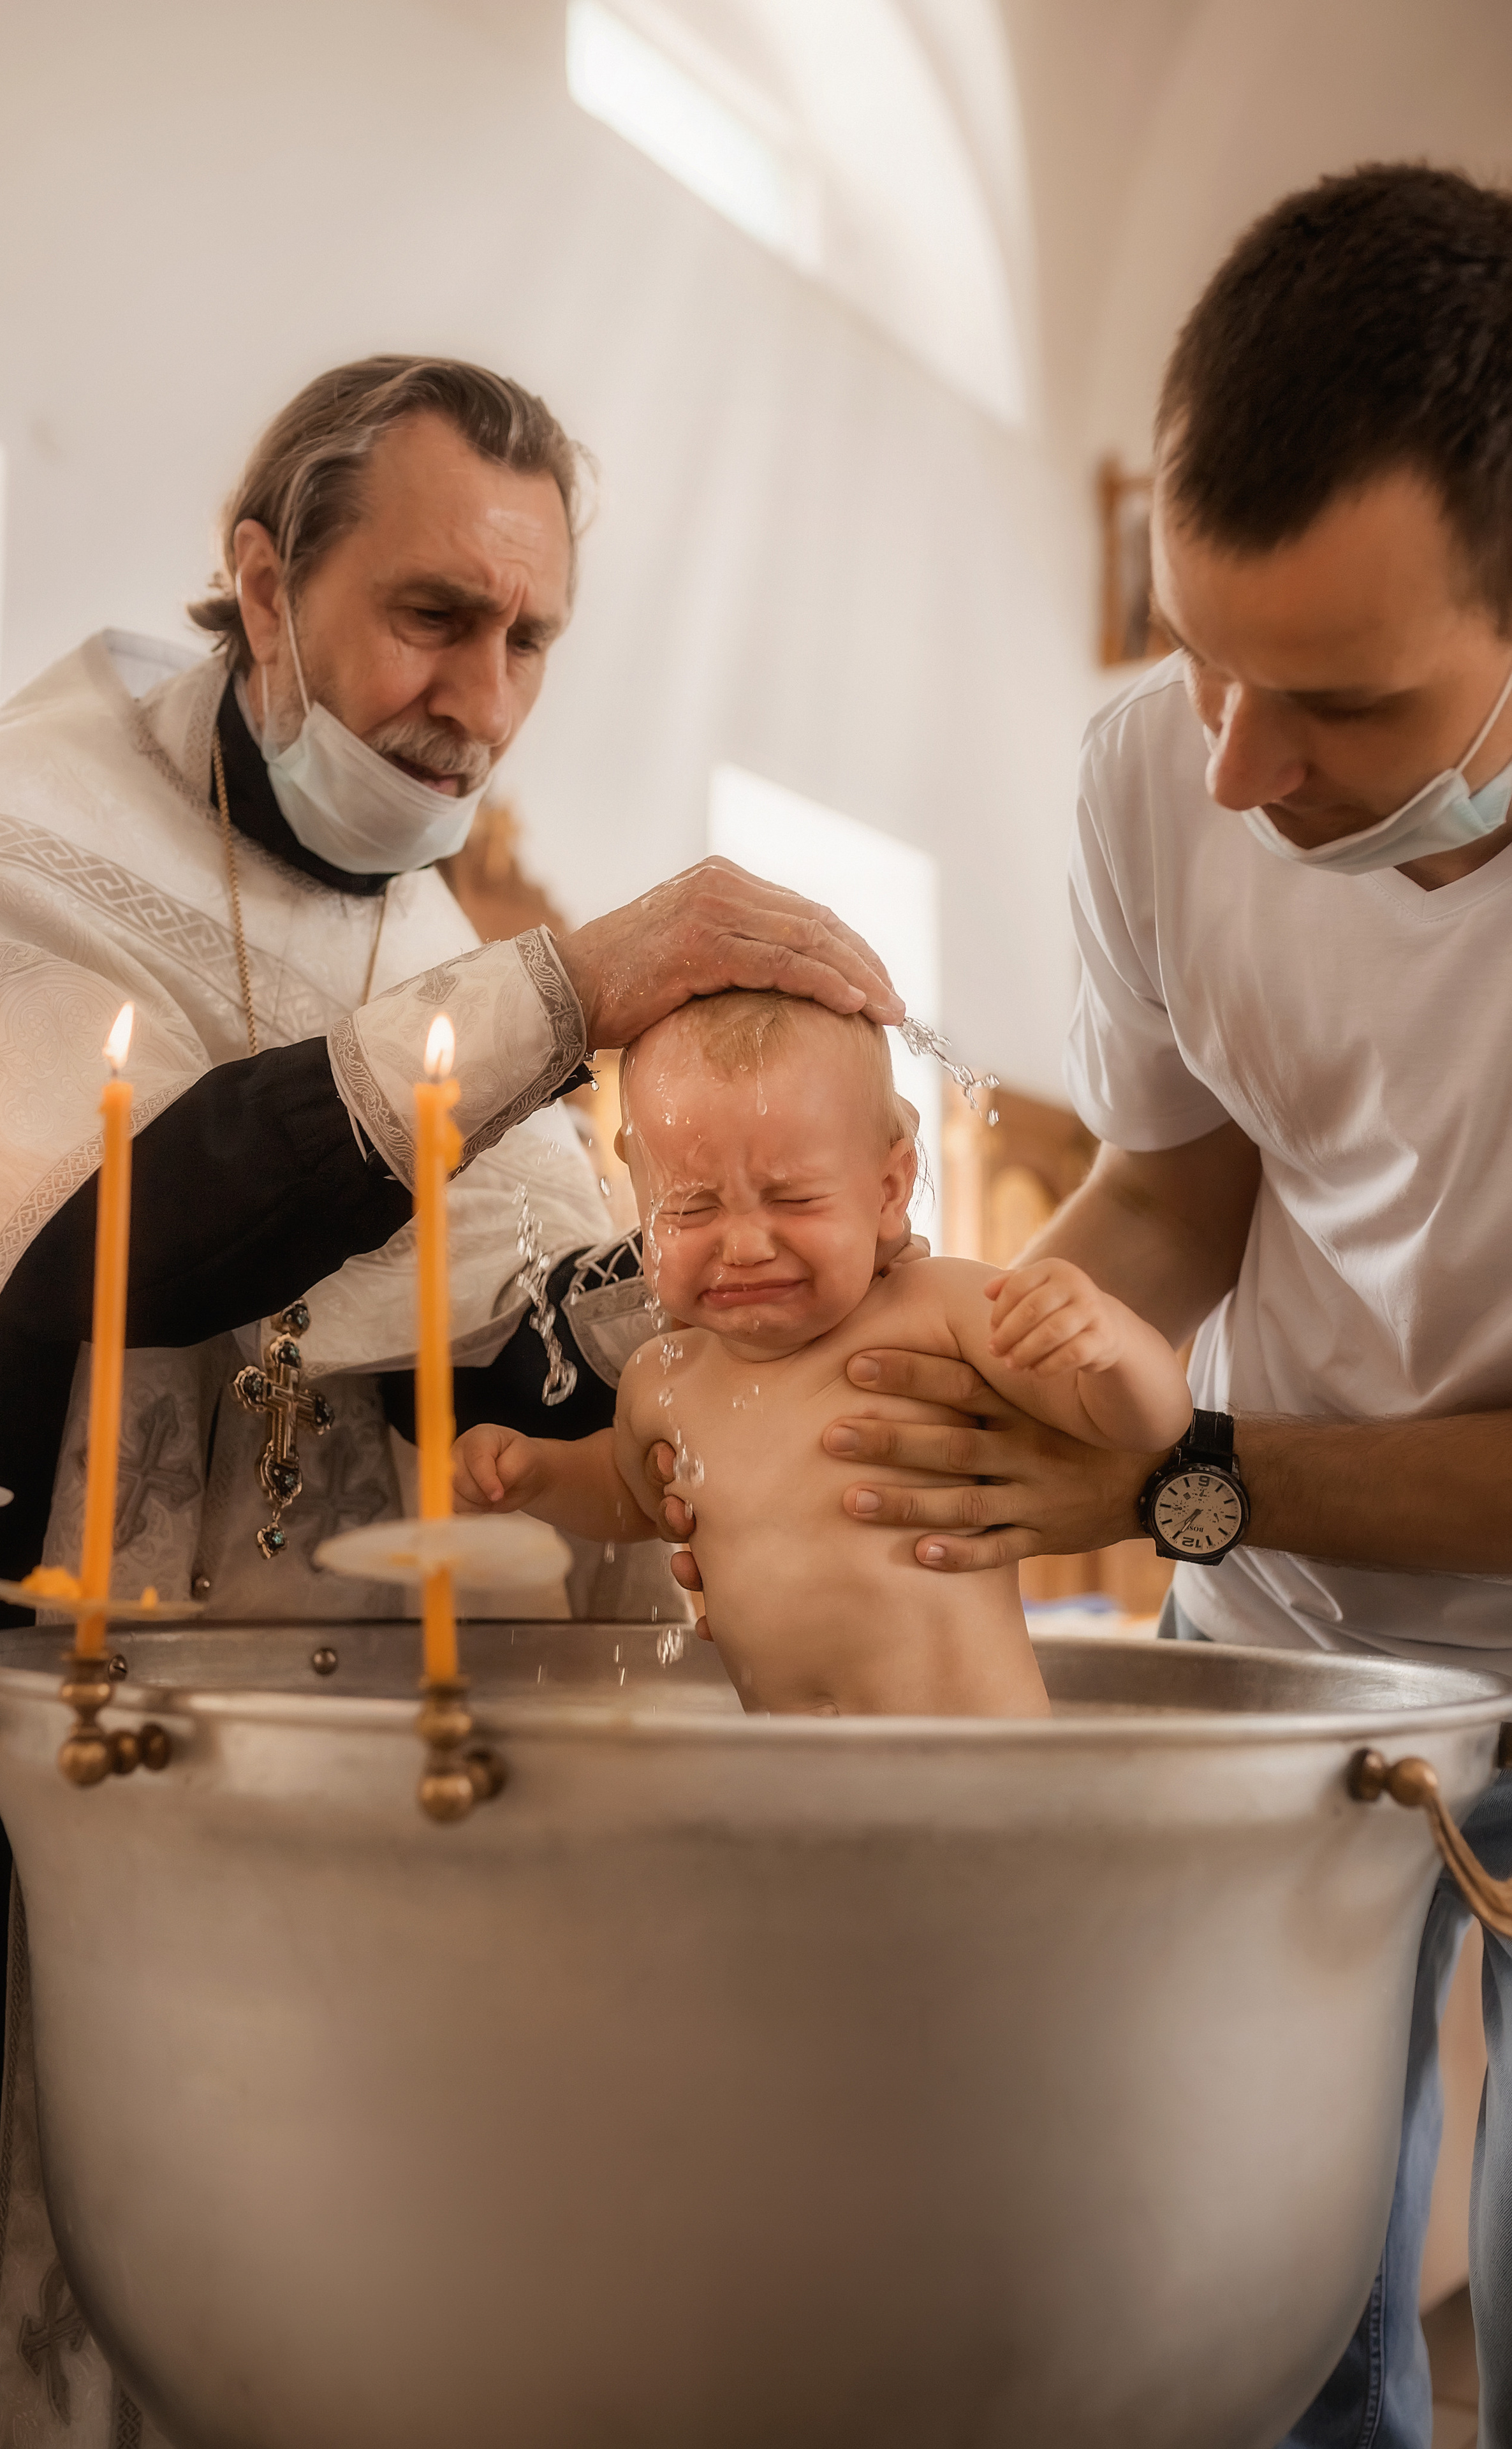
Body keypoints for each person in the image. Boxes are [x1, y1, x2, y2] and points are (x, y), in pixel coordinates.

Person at [0, 354, 900, 2445]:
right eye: (436, 615)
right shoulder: (17, 852)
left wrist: (758, 1287)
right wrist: (567, 990)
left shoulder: (423, 934)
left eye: (531, 639)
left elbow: (498, 1366)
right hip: (17, 1785)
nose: (485, 697)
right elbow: (111, 1239)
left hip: (323, 1813)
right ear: (263, 585)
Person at [677, 166, 1509, 2445]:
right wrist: (884, 1389)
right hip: (1288, 1658)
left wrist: (1187, 1483)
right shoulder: (1155, 768)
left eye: (1325, 699)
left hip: (1309, 1546)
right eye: (1194, 650)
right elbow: (1172, 1182)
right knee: (1259, 2307)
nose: (1230, 766)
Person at [453, 992, 1190, 1717]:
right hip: (788, 1774)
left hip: (973, 1768)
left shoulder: (939, 1311)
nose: (742, 1245)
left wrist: (1113, 1348)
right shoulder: (662, 1376)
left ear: (889, 1189)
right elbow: (632, 1496)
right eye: (688, 1208)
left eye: (793, 1200)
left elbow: (1148, 1425)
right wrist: (541, 1473)